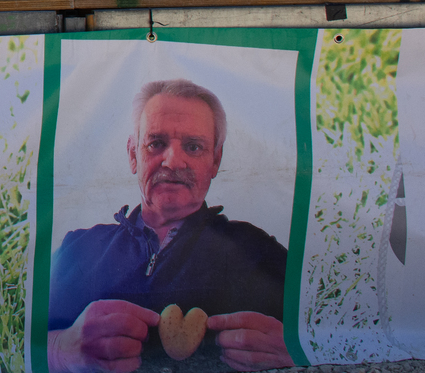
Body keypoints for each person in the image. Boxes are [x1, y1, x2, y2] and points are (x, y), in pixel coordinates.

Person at [45, 80, 291, 373]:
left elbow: (331, 332)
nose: (173, 162)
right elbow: (12, 337)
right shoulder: (77, 249)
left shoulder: (260, 252)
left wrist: (293, 350)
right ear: (133, 154)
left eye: (193, 147)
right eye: (156, 143)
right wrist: (59, 350)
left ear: (215, 160)